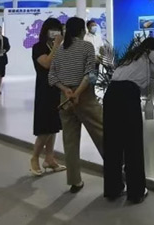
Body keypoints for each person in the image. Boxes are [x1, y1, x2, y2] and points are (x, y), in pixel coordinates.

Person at [104, 36, 154, 204]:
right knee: (132, 144)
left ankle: (113, 189)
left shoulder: (130, 57)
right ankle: (136, 193)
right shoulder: (152, 54)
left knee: (112, 144)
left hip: (111, 94)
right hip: (128, 95)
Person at [48, 17, 103, 193]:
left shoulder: (60, 50)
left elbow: (52, 77)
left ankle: (74, 181)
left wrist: (66, 90)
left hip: (65, 99)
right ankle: (117, 169)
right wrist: (77, 93)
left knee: (70, 141)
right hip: (84, 96)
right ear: (81, 31)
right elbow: (90, 74)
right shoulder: (87, 47)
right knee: (103, 133)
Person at [30, 18, 66, 176]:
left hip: (58, 89)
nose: (55, 32)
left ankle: (49, 158)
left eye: (58, 29)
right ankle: (34, 158)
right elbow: (46, 64)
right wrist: (57, 46)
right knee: (45, 127)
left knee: (54, 126)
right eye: (52, 29)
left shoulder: (61, 47)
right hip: (45, 90)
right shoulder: (38, 47)